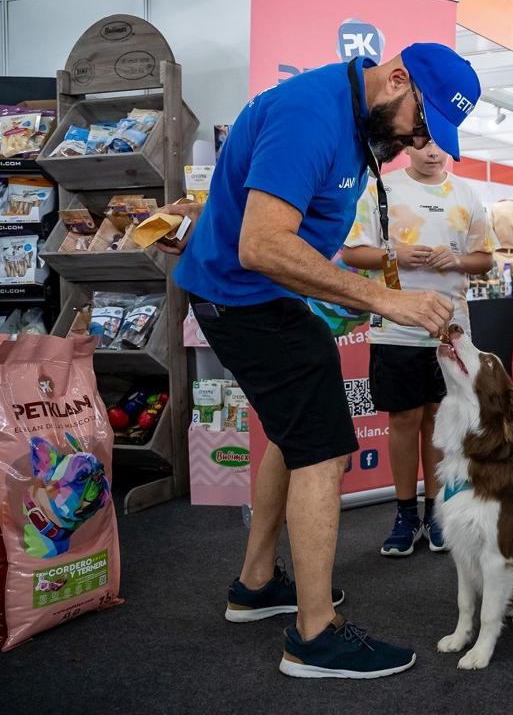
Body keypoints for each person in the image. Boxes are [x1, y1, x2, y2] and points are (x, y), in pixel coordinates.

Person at [166, 45, 477, 679]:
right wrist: (384, 298)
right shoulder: (312, 113)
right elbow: (261, 244)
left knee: (299, 432)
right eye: (418, 127)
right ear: (396, 80)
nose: (413, 143)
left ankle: (257, 583)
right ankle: (314, 636)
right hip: (245, 298)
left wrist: (337, 290)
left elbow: (290, 227)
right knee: (324, 451)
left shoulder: (354, 118)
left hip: (263, 298)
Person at [342, 144, 495, 557]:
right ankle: (405, 513)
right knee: (404, 418)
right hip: (394, 325)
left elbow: (485, 258)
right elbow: (352, 252)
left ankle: (436, 511)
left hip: (451, 330)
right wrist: (395, 253)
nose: (432, 152)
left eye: (439, 144)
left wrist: (458, 261)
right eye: (423, 143)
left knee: (440, 420)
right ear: (408, 145)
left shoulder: (466, 195)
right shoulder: (380, 189)